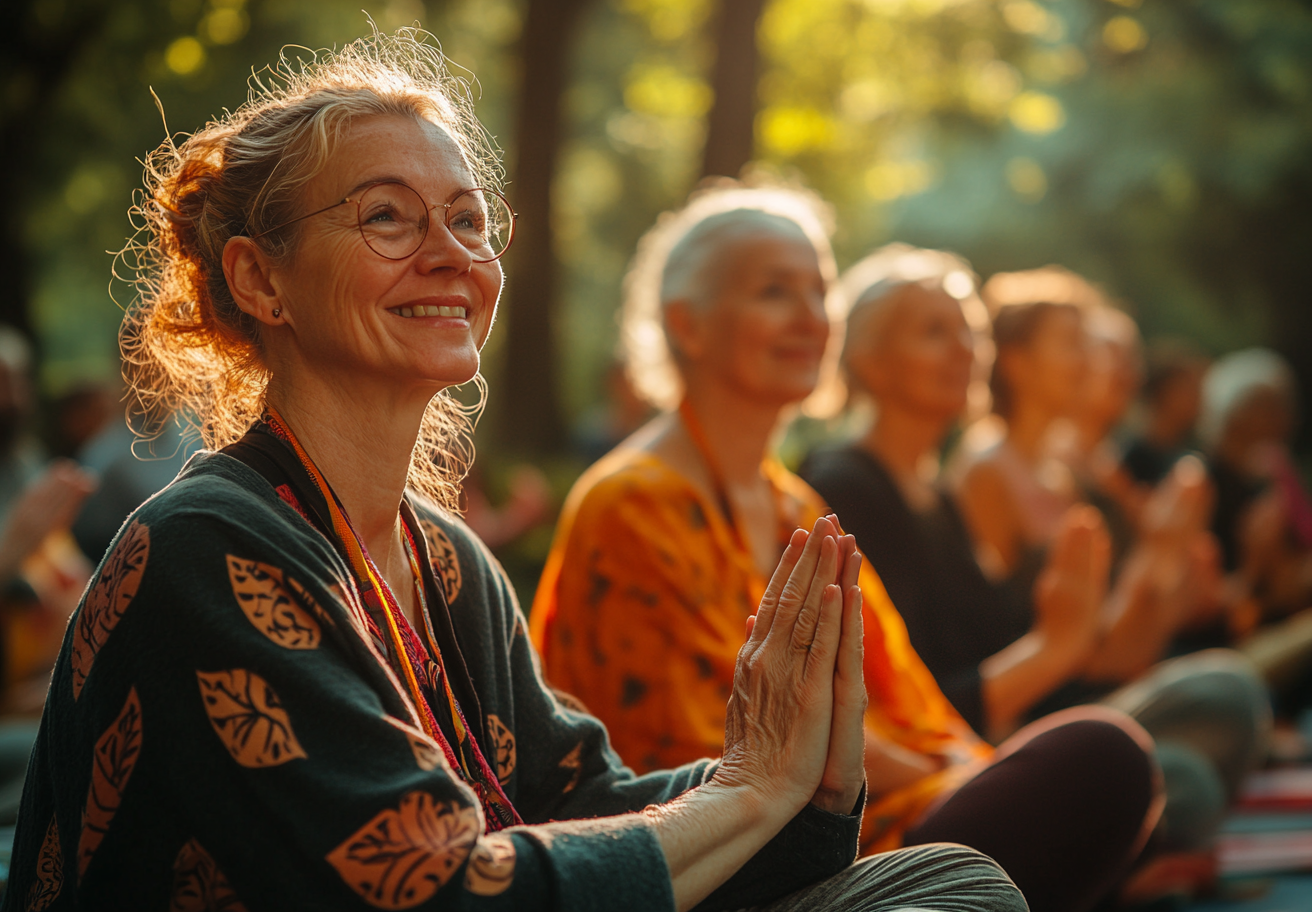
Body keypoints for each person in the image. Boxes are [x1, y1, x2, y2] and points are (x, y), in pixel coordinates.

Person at [0, 31, 1027, 912]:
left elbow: (582, 803)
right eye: (388, 216)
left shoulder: (447, 561)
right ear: (261, 279)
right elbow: (438, 889)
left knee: (949, 878)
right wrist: (751, 791)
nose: (451, 253)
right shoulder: (205, 546)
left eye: (467, 219)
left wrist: (804, 776)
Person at [532, 187, 1160, 912]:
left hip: (887, 818)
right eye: (775, 292)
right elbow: (711, 760)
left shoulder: (796, 505)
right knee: (1101, 760)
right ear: (687, 324)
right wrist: (975, 776)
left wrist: (980, 773)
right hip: (751, 868)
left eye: (820, 292)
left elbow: (910, 700)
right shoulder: (631, 503)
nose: (810, 317)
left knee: (1113, 762)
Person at [800, 247, 1268, 893]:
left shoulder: (935, 494)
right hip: (928, 780)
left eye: (969, 330)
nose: (965, 349)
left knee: (1224, 698)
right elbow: (907, 706)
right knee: (1169, 773)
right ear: (869, 361)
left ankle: (1122, 855)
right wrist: (1057, 646)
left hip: (994, 744)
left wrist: (1144, 579)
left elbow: (1045, 654)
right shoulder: (846, 487)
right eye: (934, 331)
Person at [1122, 342, 1209, 488]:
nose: (1197, 398)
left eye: (1198, 389)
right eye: (1186, 389)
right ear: (1163, 389)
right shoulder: (1123, 448)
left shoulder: (1193, 462)